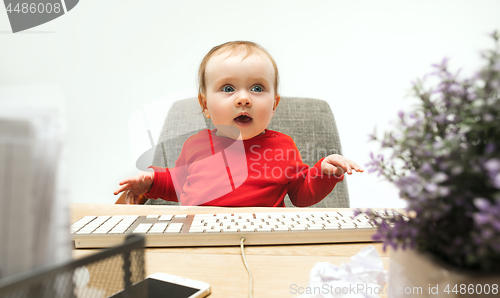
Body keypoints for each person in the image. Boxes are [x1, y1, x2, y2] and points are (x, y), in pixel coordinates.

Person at [114, 41, 363, 207]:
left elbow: (301, 194)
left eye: (257, 88)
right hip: (198, 237)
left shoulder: (283, 147)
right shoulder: (196, 144)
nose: (243, 98)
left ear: (274, 104)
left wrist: (324, 172)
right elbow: (179, 184)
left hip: (262, 239)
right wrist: (152, 181)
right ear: (205, 105)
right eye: (228, 88)